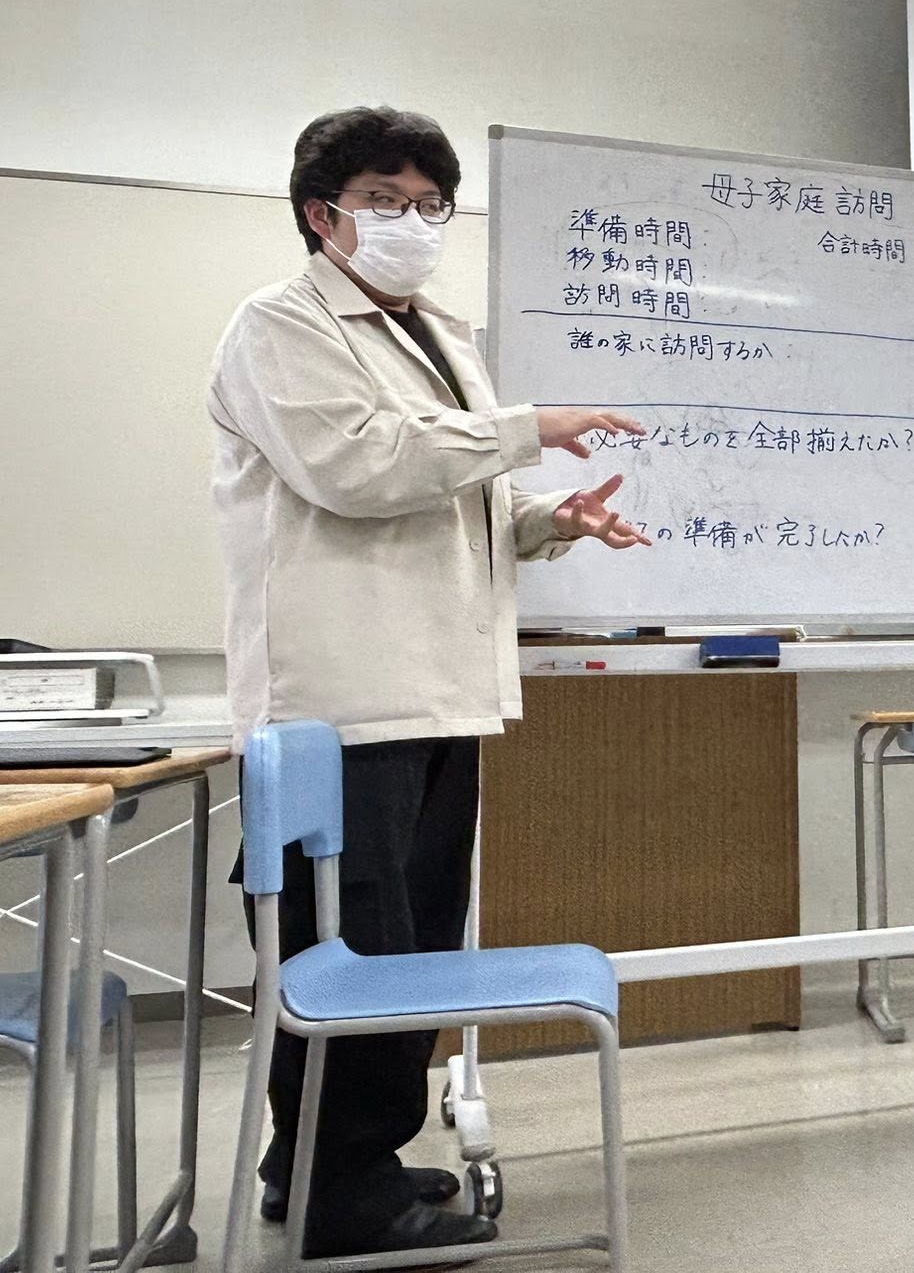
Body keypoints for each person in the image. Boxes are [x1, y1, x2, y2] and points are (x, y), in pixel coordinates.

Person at [209, 106, 649, 1256]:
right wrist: (527, 429)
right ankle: (340, 1196)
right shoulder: (281, 324)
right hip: (339, 704)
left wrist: (550, 519)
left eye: (429, 202)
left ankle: (335, 1163)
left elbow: (459, 495)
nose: (413, 221)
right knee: (343, 948)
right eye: (384, 200)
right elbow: (356, 467)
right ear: (323, 215)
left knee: (409, 952)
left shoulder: (440, 333)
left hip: (440, 689)